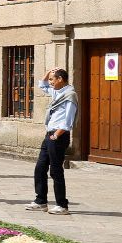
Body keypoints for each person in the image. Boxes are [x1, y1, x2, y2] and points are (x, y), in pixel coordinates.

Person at [27, 68, 78, 216]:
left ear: (60, 79)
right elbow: (41, 85)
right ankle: (41, 201)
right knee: (40, 167)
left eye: (52, 79)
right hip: (49, 134)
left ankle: (62, 205)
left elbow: (68, 120)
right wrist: (49, 71)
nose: (50, 82)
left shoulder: (70, 96)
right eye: (50, 79)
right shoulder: (58, 92)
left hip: (58, 136)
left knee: (56, 171)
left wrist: (56, 134)